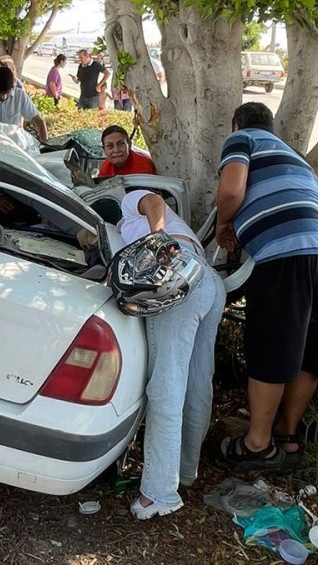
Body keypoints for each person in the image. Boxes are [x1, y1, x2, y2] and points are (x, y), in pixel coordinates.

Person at [215, 102, 318, 469]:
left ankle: (257, 445)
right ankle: (286, 436)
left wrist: (224, 225)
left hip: (285, 257)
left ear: (237, 122)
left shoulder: (243, 138)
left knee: (270, 348)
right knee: (307, 350)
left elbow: (231, 191)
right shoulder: (294, 155)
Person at [118, 191, 226, 520]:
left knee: (167, 386)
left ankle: (160, 493)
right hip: (208, 279)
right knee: (197, 382)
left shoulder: (126, 204)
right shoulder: (122, 229)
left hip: (176, 276)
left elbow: (153, 200)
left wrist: (157, 241)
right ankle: (185, 470)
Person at [0, 66, 48, 149]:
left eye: (8, 92)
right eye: (0, 93)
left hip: (17, 148)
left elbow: (40, 121)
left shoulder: (20, 95)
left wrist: (45, 148)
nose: (4, 97)